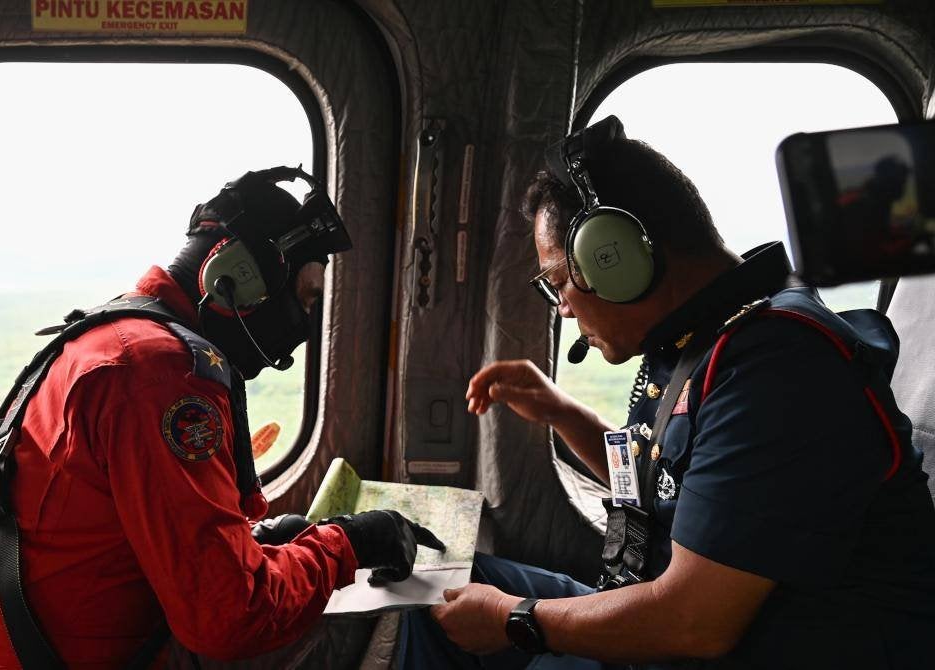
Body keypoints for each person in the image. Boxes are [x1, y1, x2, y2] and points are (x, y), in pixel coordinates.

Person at [400, 117, 935, 669]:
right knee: (433, 583)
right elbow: (677, 486)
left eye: (558, 281)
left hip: (721, 640)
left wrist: (516, 620)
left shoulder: (778, 368)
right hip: (673, 619)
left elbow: (693, 622)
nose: (560, 306)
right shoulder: (701, 339)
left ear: (615, 258)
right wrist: (560, 412)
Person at [0, 168, 442, 668]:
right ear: (237, 278)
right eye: (305, 299)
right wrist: (348, 543)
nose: (304, 327)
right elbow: (231, 617)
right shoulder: (158, 375)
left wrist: (262, 540)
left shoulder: (120, 341)